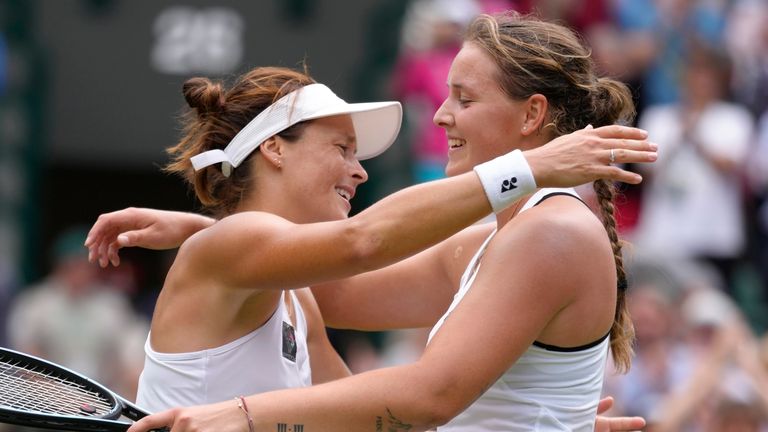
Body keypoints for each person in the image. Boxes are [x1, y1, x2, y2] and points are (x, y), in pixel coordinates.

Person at [88, 11, 654, 432]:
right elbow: (360, 246)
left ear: (532, 114)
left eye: (464, 98)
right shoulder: (519, 232)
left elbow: (389, 399)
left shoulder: (546, 231)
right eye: (341, 147)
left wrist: (525, 419)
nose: (440, 113)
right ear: (276, 151)